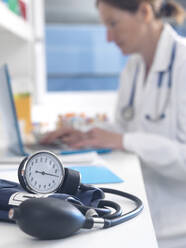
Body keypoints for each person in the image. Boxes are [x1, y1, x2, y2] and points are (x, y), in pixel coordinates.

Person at [41, 0, 186, 247]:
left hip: (177, 227)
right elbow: (124, 125)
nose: (108, 38)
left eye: (113, 24)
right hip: (142, 207)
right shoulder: (133, 67)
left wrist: (123, 140)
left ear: (144, 11)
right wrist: (83, 133)